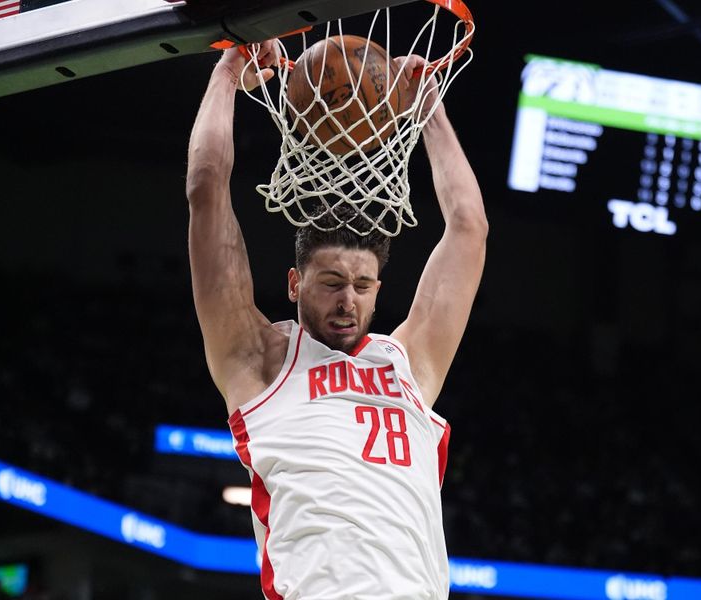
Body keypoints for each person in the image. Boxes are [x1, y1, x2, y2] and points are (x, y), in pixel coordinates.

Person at [186, 42, 487, 600]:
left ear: (377, 293)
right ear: (296, 285)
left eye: (362, 286)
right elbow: (206, 189)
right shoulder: (260, 361)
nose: (347, 301)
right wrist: (227, 74)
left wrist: (428, 108)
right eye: (330, 284)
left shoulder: (408, 365)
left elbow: (468, 227)